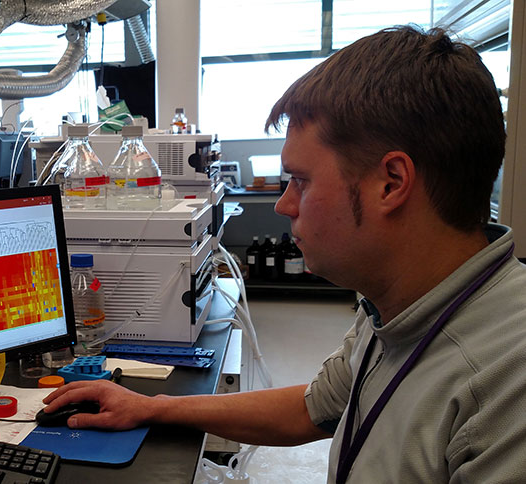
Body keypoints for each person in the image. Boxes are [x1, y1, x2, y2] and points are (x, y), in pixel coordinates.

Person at [43, 25, 526, 482]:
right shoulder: (399, 299)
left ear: (391, 183)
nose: (282, 204)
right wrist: (150, 406)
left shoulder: (506, 387)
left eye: (301, 180)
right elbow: (313, 408)